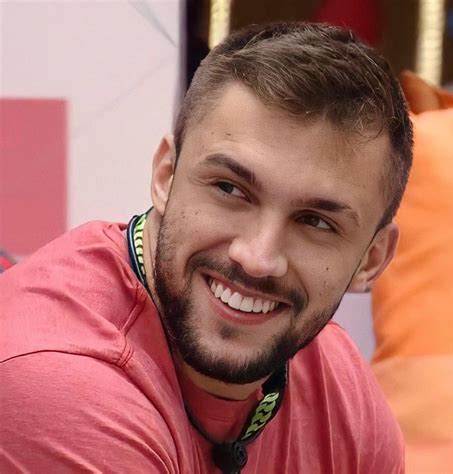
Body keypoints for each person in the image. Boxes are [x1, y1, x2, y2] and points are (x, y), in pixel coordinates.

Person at [0, 22, 412, 473]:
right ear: (165, 177)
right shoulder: (59, 381)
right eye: (230, 189)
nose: (257, 258)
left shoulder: (341, 389)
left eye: (315, 222)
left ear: (371, 259)